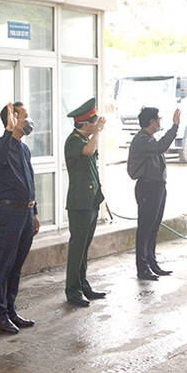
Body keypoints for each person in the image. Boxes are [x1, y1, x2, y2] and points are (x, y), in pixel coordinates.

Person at [0, 102, 40, 334]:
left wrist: (35, 212)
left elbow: (30, 181)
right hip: (7, 214)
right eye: (25, 117)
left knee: (16, 266)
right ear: (12, 119)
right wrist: (8, 130)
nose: (29, 121)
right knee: (4, 265)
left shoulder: (23, 149)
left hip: (25, 213)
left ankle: (11, 310)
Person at [126, 106, 181, 280]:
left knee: (154, 227)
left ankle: (152, 262)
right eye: (158, 119)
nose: (159, 122)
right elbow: (161, 147)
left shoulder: (149, 138)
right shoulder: (142, 140)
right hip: (147, 188)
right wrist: (175, 127)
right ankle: (143, 267)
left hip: (157, 187)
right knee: (145, 228)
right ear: (151, 122)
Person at [64, 98, 108, 307]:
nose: (96, 126)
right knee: (77, 247)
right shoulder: (74, 141)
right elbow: (89, 151)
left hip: (90, 201)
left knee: (85, 247)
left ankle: (83, 284)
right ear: (85, 123)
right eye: (93, 122)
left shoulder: (84, 140)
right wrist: (97, 131)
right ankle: (73, 290)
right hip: (79, 203)